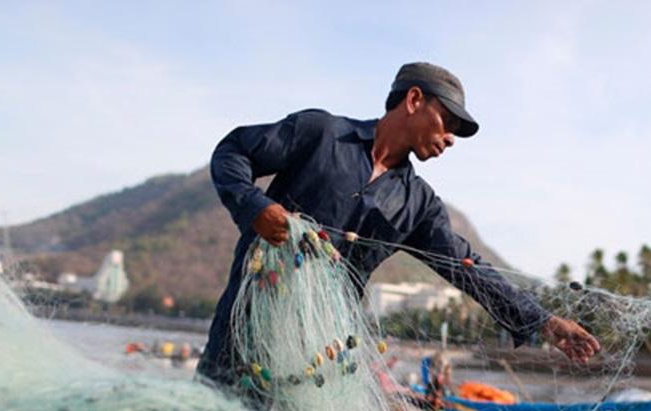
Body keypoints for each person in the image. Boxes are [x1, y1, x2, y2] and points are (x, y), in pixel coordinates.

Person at [198, 61, 599, 393]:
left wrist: (544, 322)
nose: (451, 139)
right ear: (414, 99)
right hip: (242, 333)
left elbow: (467, 267)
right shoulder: (320, 134)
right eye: (448, 122)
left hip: (315, 360)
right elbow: (234, 151)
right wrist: (255, 206)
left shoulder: (417, 204)